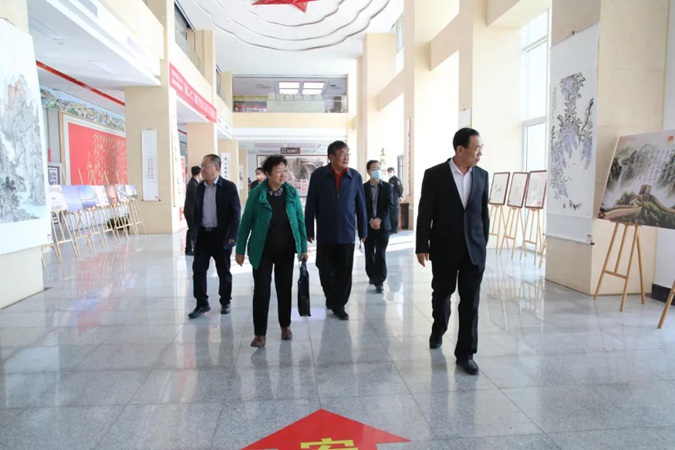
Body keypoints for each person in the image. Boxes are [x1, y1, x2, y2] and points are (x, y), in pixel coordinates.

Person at [415, 127, 489, 375]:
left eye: (481, 148)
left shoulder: (482, 175)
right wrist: (421, 246)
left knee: (470, 302)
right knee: (442, 295)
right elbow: (425, 213)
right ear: (460, 149)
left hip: (473, 251)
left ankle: (466, 354)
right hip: (444, 248)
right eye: (476, 148)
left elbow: (483, 214)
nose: (480, 153)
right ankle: (439, 328)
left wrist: (483, 244)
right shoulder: (435, 175)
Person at [235, 155, 308, 348]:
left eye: (284, 170)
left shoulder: (291, 192)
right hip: (262, 250)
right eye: (278, 171)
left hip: (286, 249)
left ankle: (285, 326)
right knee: (261, 291)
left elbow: (300, 221)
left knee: (284, 289)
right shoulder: (257, 194)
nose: (283, 174)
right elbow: (246, 223)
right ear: (267, 174)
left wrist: (303, 247)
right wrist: (240, 250)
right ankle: (260, 334)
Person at [305, 140, 367, 320]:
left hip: (347, 234)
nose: (346, 157)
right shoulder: (318, 176)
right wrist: (309, 229)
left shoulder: (355, 176)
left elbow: (361, 205)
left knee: (344, 272)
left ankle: (339, 304)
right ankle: (331, 297)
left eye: (347, 153)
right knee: (324, 270)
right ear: (331, 157)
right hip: (325, 233)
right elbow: (311, 204)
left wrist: (363, 231)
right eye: (341, 154)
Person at [188, 154, 241, 319]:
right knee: (198, 270)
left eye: (206, 166)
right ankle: (201, 303)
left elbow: (236, 213)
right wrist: (194, 234)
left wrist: (232, 234)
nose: (202, 169)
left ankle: (225, 301)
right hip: (203, 236)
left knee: (223, 270)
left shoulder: (229, 187)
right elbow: (195, 212)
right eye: (202, 166)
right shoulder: (199, 188)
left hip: (221, 236)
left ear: (217, 169)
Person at [363, 160, 392, 293]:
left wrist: (379, 219)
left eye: (379, 168)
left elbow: (389, 205)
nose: (377, 171)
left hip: (383, 225)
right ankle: (371, 275)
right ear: (369, 172)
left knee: (380, 253)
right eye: (374, 169)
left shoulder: (387, 187)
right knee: (369, 253)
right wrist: (371, 220)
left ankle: (379, 281)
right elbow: (361, 206)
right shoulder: (363, 188)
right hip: (368, 226)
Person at [183, 166, 201, 255]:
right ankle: (188, 248)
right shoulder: (193, 185)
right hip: (191, 212)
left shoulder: (193, 183)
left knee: (193, 229)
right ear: (199, 173)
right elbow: (196, 200)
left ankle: (191, 247)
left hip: (191, 211)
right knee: (191, 229)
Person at [387, 167, 403, 233]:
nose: (389, 173)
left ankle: (395, 229)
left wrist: (398, 197)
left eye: (390, 172)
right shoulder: (390, 180)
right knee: (391, 215)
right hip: (390, 199)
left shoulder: (397, 180)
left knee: (395, 215)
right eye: (388, 172)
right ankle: (391, 228)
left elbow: (400, 189)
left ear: (393, 172)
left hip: (395, 200)